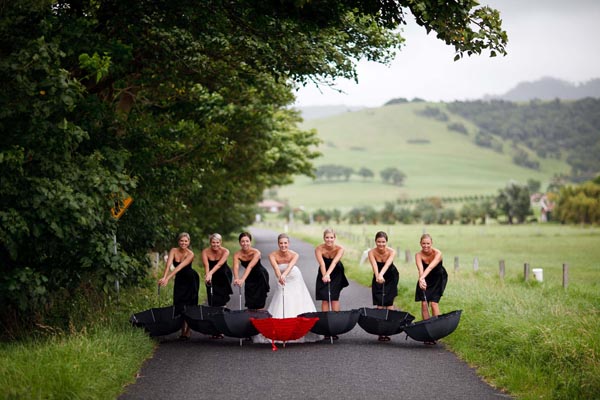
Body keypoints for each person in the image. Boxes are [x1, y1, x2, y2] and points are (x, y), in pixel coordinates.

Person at [255, 233, 321, 343]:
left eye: (285, 243)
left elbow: (290, 266)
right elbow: (276, 268)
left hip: (293, 277)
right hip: (280, 277)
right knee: (282, 298)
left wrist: (284, 275)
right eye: (281, 243)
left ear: (288, 243)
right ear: (278, 244)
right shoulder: (272, 255)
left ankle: (299, 328)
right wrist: (280, 276)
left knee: (296, 298)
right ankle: (281, 328)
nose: (283, 245)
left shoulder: (295, 254)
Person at [158, 232, 199, 340]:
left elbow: (179, 268)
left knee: (190, 304)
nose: (183, 243)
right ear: (178, 241)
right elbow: (168, 265)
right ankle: (182, 331)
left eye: (186, 241)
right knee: (179, 303)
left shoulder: (190, 254)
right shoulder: (173, 250)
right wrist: (164, 277)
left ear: (189, 242)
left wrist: (168, 279)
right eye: (181, 241)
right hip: (180, 280)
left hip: (191, 279)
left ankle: (188, 330)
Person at [415, 233, 448, 344]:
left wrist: (422, 278)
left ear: (431, 243)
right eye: (423, 243)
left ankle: (436, 331)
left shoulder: (438, 253)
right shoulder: (418, 255)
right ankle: (428, 333)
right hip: (424, 278)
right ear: (420, 243)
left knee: (434, 304)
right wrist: (421, 279)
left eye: (428, 243)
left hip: (438, 279)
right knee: (424, 303)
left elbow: (430, 267)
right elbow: (421, 269)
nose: (426, 246)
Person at [368, 231, 399, 342]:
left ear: (387, 241)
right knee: (379, 303)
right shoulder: (371, 252)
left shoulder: (392, 252)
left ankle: (389, 330)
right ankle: (380, 331)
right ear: (375, 241)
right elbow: (374, 266)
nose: (381, 244)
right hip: (377, 275)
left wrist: (381, 274)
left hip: (391, 276)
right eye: (378, 242)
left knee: (389, 303)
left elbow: (387, 265)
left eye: (383, 242)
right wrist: (377, 276)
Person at [315, 228, 349, 316]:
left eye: (331, 237)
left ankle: (336, 319)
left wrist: (328, 274)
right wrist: (324, 276)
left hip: (336, 272)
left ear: (334, 238)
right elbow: (322, 264)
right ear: (324, 238)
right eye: (327, 237)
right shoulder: (319, 249)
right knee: (325, 298)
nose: (329, 240)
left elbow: (334, 263)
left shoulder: (340, 249)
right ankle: (326, 319)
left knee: (334, 297)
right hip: (323, 271)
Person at [232, 232, 270, 310]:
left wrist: (242, 279)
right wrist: (236, 278)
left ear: (250, 242)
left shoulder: (256, 253)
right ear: (239, 242)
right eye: (242, 241)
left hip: (260, 276)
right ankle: (251, 320)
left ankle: (260, 320)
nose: (245, 243)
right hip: (249, 277)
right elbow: (236, 266)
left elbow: (250, 267)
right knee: (250, 302)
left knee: (260, 303)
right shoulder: (237, 254)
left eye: (247, 241)